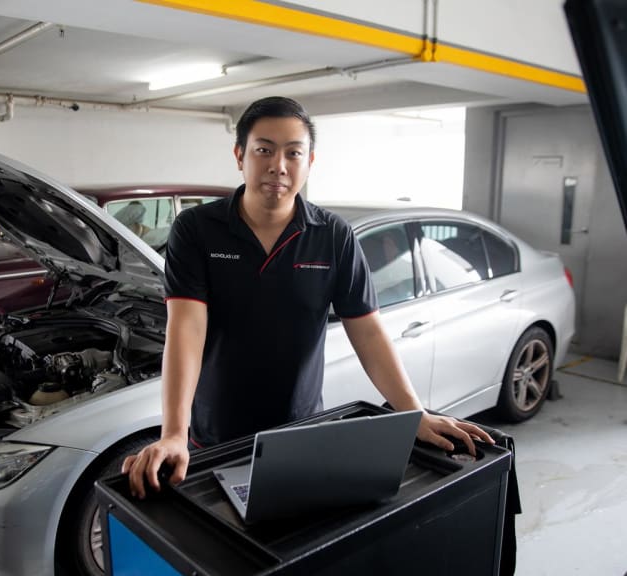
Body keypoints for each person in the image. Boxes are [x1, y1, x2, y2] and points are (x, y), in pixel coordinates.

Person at [123, 96, 493, 498]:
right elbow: (187, 329)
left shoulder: (333, 235)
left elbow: (367, 332)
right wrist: (174, 433)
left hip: (299, 434)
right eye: (263, 150)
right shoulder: (196, 229)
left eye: (293, 153)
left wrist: (412, 411)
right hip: (214, 437)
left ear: (309, 161)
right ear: (239, 155)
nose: (278, 166)